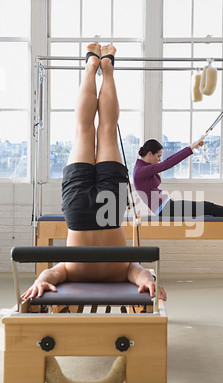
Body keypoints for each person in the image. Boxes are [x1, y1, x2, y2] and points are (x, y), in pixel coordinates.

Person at [22, 44, 166, 302]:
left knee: (106, 130)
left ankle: (106, 68)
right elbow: (141, 273)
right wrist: (147, 280)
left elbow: (139, 272)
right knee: (85, 130)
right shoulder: (77, 272)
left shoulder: (117, 270)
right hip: (81, 213)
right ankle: (92, 67)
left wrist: (40, 281)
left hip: (107, 212)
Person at [133, 139, 223, 219]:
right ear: (149, 154)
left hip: (166, 206)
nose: (159, 160)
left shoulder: (144, 167)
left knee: (206, 207)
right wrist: (191, 147)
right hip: (164, 210)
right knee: (207, 207)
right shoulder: (141, 170)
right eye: (158, 156)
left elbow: (165, 163)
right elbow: (168, 163)